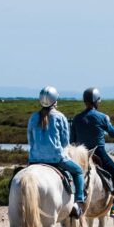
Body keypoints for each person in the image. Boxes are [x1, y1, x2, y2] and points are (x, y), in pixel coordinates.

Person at [28, 86, 85, 218]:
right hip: (56, 159)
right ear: (55, 100)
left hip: (34, 160)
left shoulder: (33, 117)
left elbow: (30, 140)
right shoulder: (60, 117)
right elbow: (65, 142)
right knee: (78, 171)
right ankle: (78, 203)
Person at [71, 88, 114, 221]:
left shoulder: (76, 119)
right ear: (96, 101)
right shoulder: (102, 117)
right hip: (99, 152)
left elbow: (72, 141)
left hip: (81, 155)